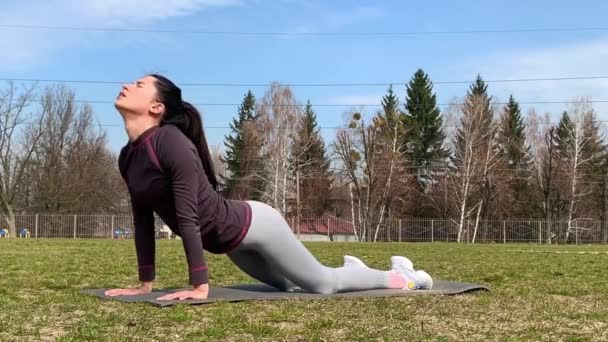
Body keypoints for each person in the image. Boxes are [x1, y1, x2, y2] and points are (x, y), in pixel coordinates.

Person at [105, 74, 432, 301]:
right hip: (230, 243)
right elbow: (143, 223)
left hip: (255, 225)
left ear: (157, 107)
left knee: (322, 284)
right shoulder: (128, 157)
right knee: (287, 285)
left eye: (138, 84)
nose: (125, 85)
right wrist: (145, 285)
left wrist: (199, 285)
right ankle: (353, 271)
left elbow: (187, 217)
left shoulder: (170, 142)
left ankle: (402, 276)